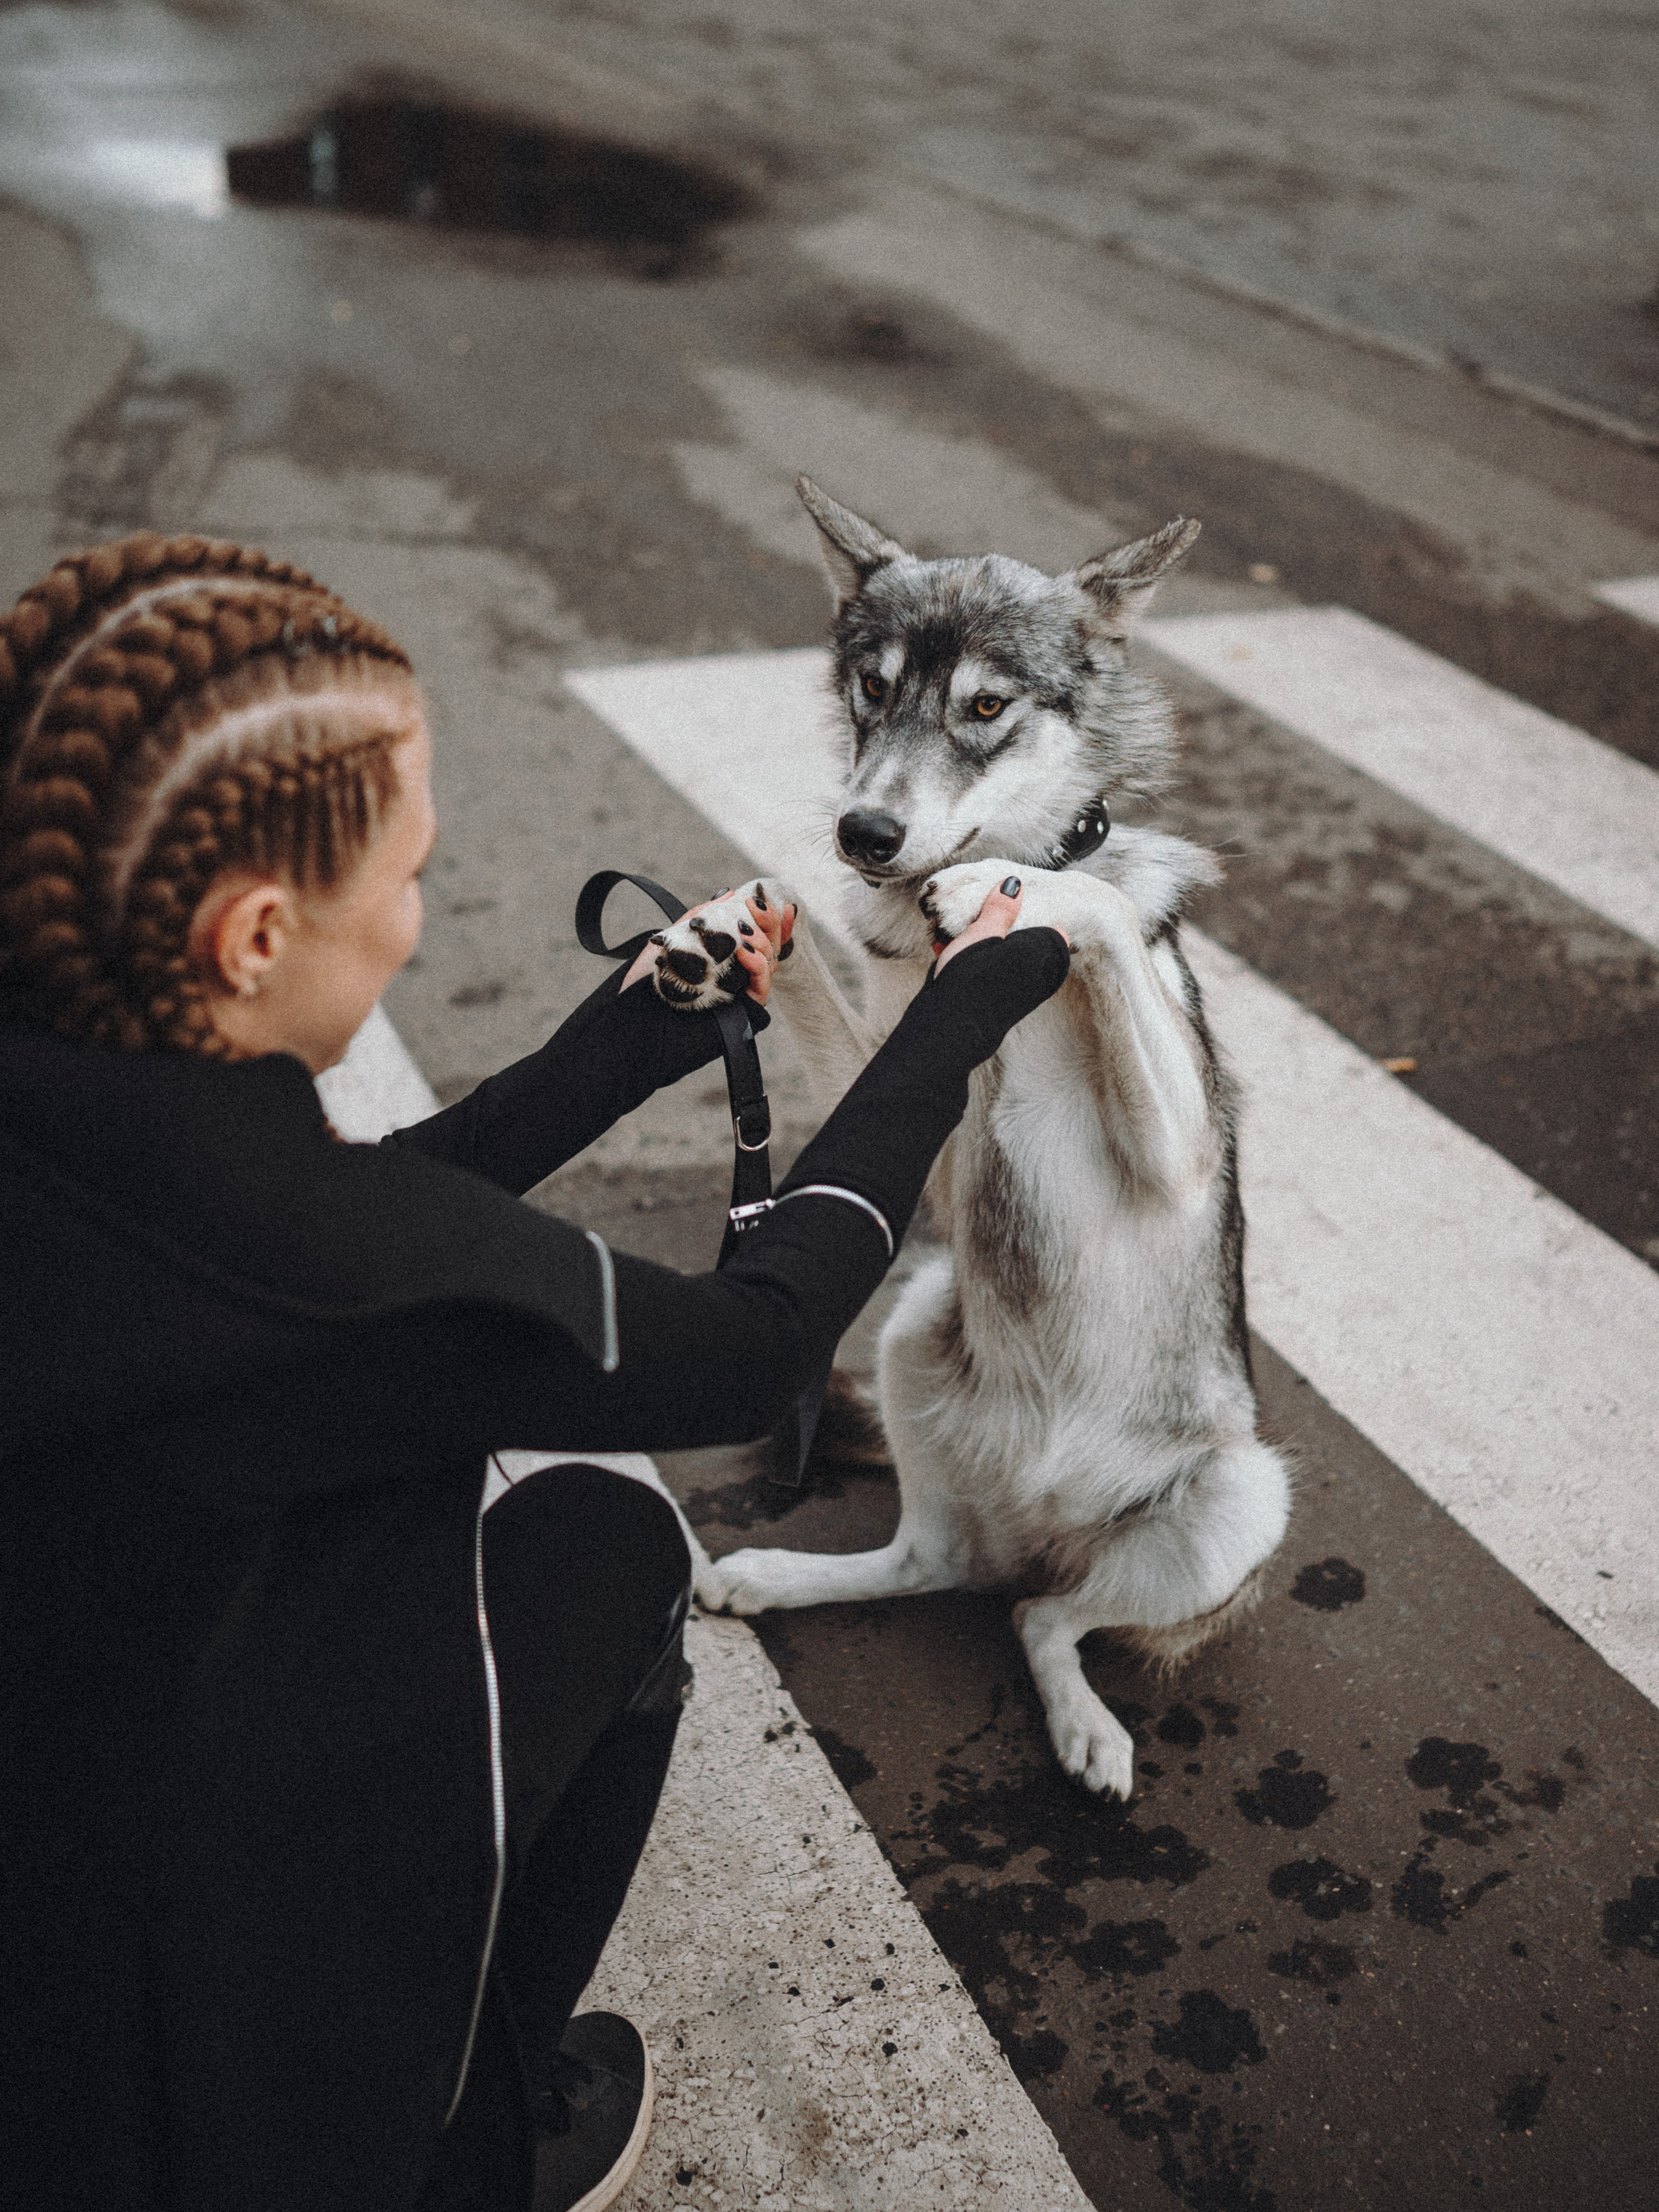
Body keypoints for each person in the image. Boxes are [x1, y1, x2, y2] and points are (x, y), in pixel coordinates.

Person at [0, 535, 1069, 2212]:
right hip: (126, 1994)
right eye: (410, 877)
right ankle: (467, 2141)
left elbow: (318, 1236)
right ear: (257, 932)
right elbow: (751, 1348)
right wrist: (961, 1008)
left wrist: (620, 1040)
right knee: (613, 1543)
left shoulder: (96, 1103)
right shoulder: (319, 1263)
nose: (415, 922)